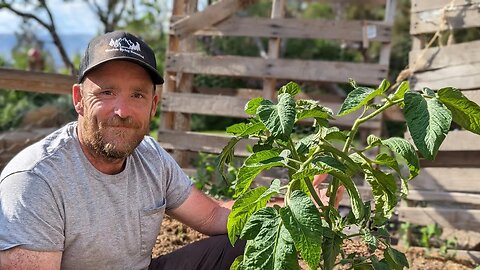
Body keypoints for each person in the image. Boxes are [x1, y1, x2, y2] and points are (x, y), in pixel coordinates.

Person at [0, 31, 342, 270]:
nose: (122, 110)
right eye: (106, 92)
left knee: (254, 241)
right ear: (78, 99)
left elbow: (212, 217)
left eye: (137, 94)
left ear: (153, 105)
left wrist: (298, 206)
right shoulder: (36, 179)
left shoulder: (149, 156)